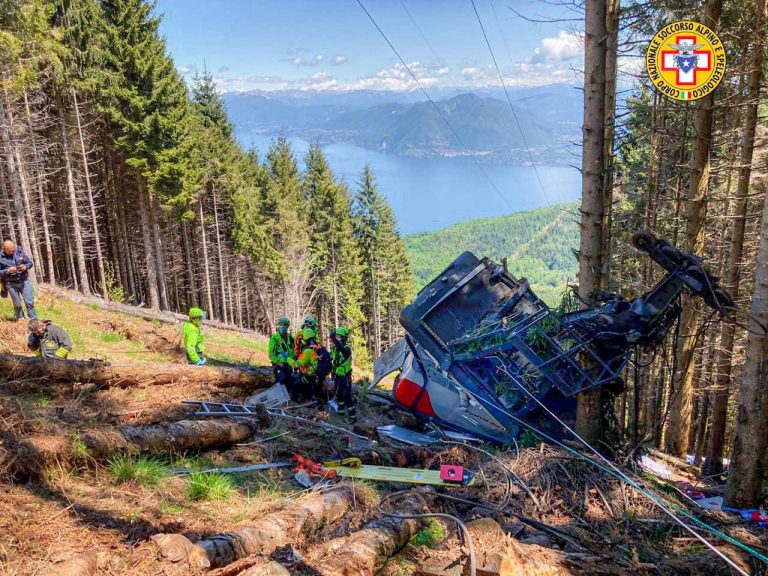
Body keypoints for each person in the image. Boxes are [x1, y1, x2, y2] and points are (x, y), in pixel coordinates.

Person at [0, 239, 36, 321]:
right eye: (10, 251)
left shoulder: (19, 251)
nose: (12, 252)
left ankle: (33, 320)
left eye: (13, 250)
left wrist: (25, 267)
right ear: (4, 249)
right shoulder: (0, 257)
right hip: (11, 284)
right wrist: (7, 271)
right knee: (17, 305)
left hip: (24, 281)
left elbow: (30, 263)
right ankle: (21, 321)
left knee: (29, 302)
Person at [330, 326, 355, 422]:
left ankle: (352, 417)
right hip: (337, 375)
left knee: (347, 396)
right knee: (339, 395)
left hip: (345, 376)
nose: (338, 339)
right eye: (337, 336)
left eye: (340, 337)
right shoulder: (335, 348)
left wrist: (334, 339)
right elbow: (334, 360)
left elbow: (343, 352)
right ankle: (341, 412)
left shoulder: (347, 348)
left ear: (344, 338)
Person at [269, 316, 296, 386]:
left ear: (287, 326)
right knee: (282, 379)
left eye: (284, 325)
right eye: (281, 324)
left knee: (289, 383)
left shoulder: (290, 337)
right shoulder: (274, 338)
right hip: (279, 365)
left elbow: (293, 350)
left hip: (289, 365)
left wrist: (294, 362)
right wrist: (278, 363)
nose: (282, 326)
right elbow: (271, 355)